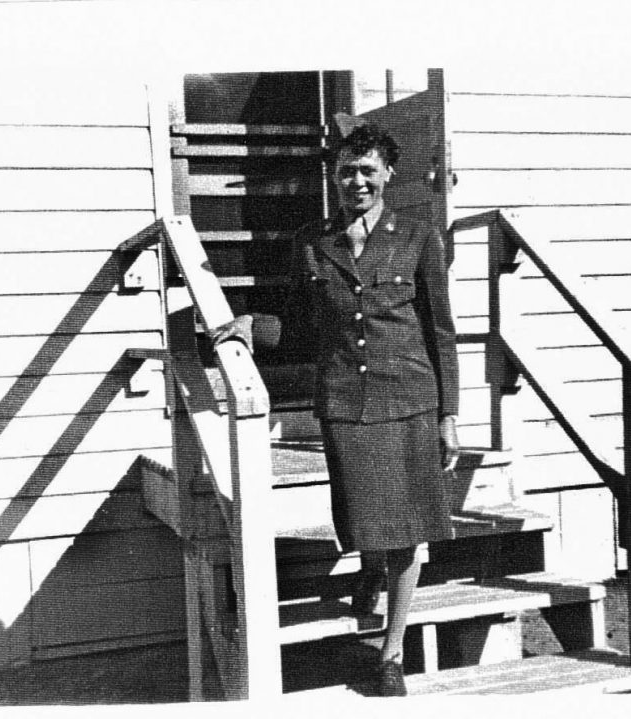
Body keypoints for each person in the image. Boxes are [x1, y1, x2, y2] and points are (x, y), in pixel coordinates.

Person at [212, 122, 460, 697]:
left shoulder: (419, 236)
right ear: (335, 175)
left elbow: (440, 331)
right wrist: (252, 324)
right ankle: (370, 566)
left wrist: (449, 413)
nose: (357, 181)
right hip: (346, 402)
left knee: (408, 531)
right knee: (364, 523)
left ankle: (391, 653)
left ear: (388, 174)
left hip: (409, 400)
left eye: (368, 170)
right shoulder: (312, 242)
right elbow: (299, 330)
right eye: (347, 170)